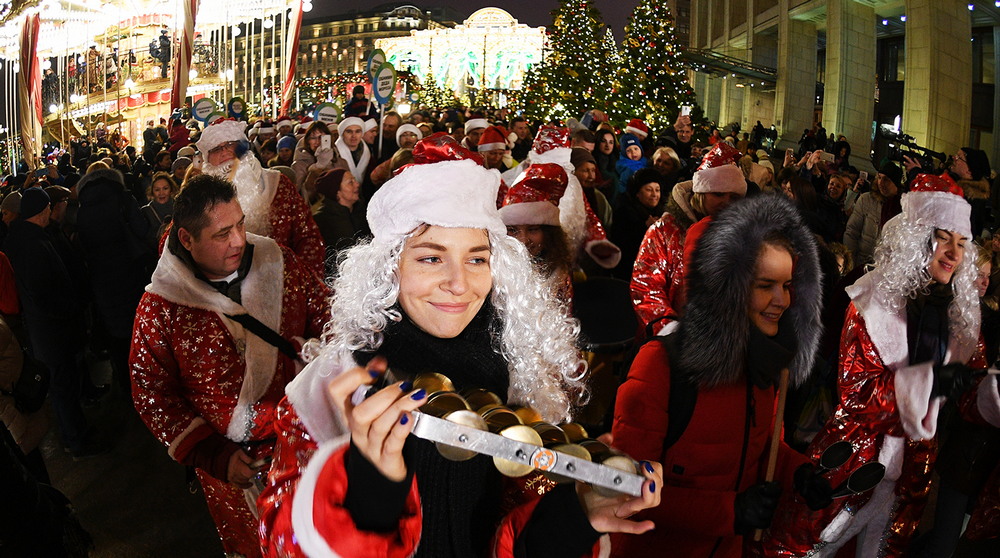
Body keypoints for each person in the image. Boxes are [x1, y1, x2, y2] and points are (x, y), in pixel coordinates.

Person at [258, 140, 661, 557]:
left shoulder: (518, 377)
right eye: (431, 258)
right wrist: (366, 504)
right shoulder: (332, 388)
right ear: (389, 267)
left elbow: (515, 533)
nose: (459, 283)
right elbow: (279, 545)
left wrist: (577, 516)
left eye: (476, 259)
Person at [764, 173, 990, 557]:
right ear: (918, 238)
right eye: (943, 238)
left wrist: (988, 392)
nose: (954, 252)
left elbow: (970, 398)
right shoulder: (871, 303)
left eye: (963, 242)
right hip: (851, 461)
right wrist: (929, 384)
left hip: (909, 478)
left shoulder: (963, 320)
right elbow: (857, 394)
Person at [130, 174, 331, 558]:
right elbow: (150, 391)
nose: (239, 239)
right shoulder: (160, 307)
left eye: (240, 223)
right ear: (187, 239)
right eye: (222, 233)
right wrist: (211, 455)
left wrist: (317, 355)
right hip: (233, 467)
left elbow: (326, 315)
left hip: (308, 442)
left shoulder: (280, 260)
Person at [612, 194, 821, 557]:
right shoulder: (660, 367)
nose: (782, 300)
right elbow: (626, 486)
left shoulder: (767, 368)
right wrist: (731, 512)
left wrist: (798, 473)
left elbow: (765, 450)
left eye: (786, 286)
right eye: (764, 285)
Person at [3, 188, 102, 459]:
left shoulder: (32, 238)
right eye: (48, 208)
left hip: (53, 330)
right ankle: (75, 441)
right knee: (63, 388)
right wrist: (70, 309)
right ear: (41, 211)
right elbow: (43, 295)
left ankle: (78, 431)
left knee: (67, 384)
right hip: (52, 332)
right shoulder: (32, 245)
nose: (51, 213)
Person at [631, 142, 746, 333]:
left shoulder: (744, 234)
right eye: (718, 194)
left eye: (734, 197)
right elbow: (646, 286)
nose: (726, 203)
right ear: (701, 193)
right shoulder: (664, 231)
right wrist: (670, 330)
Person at [197, 118, 325, 276]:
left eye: (231, 144)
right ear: (207, 159)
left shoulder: (278, 184)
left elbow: (308, 237)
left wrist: (299, 278)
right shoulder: (198, 197)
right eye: (216, 149)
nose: (224, 152)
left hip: (282, 282)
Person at [500, 162, 575, 302]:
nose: (523, 240)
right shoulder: (492, 271)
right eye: (513, 230)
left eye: (533, 230)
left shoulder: (559, 276)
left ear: (549, 234)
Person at [843, 161, 903, 271]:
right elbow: (852, 231)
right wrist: (850, 261)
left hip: (883, 269)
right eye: (879, 178)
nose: (881, 182)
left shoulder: (902, 209)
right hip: (860, 263)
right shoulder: (866, 200)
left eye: (886, 180)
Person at [311, 168, 370, 277]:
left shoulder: (362, 211)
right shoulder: (322, 219)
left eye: (355, 180)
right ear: (337, 192)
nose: (357, 184)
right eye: (350, 182)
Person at [610, 168, 662, 280]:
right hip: (629, 274)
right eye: (649, 190)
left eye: (657, 190)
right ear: (637, 193)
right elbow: (621, 246)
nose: (654, 194)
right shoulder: (623, 213)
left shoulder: (662, 213)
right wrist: (644, 229)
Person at [291, 121, 336, 195]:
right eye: (313, 138)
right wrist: (318, 167)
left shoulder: (339, 160)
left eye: (322, 138)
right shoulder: (299, 165)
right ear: (308, 141)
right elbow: (296, 192)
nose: (317, 142)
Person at [141, 172, 178, 248]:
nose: (161, 193)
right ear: (152, 191)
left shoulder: (180, 207)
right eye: (157, 190)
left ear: (171, 189)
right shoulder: (146, 211)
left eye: (165, 188)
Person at [334, 117, 372, 186]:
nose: (354, 136)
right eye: (349, 131)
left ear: (362, 133)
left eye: (357, 131)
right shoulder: (334, 154)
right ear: (342, 134)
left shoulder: (368, 153)